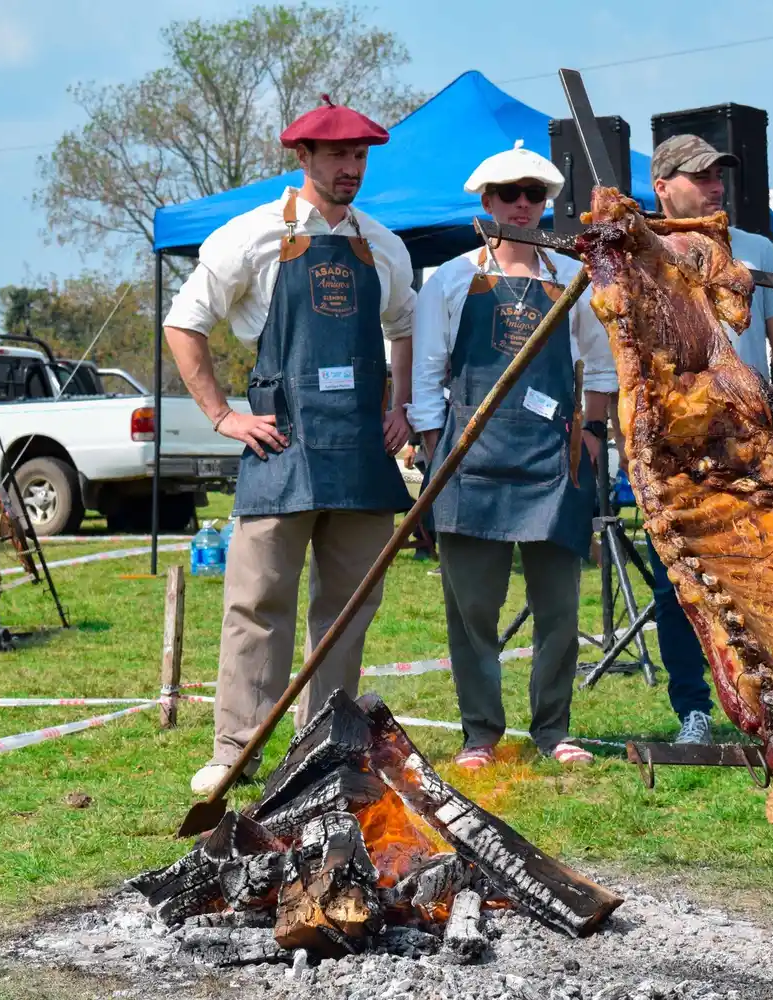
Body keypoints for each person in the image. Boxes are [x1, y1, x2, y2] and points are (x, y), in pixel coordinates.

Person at [163, 95, 418, 794]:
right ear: (302, 157)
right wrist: (222, 415)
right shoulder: (249, 236)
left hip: (362, 451)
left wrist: (401, 405)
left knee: (347, 611)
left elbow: (404, 326)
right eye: (337, 156)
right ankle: (235, 751)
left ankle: (323, 748)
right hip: (282, 443)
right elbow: (184, 323)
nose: (350, 168)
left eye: (359, 156)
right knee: (258, 603)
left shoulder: (383, 245)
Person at [409, 140, 615, 770]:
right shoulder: (449, 279)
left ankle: (553, 729)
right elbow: (426, 376)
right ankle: (480, 733)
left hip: (552, 465)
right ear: (487, 202)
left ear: (546, 203)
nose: (522, 205)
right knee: (473, 608)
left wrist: (592, 432)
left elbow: (601, 366)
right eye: (508, 194)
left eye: (533, 194)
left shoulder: (574, 278)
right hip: (470, 463)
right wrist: (433, 451)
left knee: (559, 608)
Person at [637, 133, 773, 745]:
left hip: (751, 443)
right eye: (700, 177)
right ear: (662, 187)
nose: (715, 186)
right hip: (678, 447)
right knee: (679, 582)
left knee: (771, 574)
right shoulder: (642, 252)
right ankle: (693, 709)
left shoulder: (755, 250)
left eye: (718, 175)